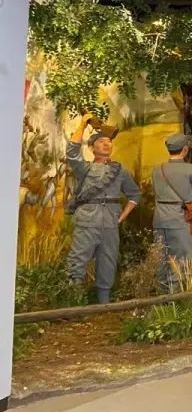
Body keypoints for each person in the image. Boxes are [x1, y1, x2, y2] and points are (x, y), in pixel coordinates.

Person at [64, 114, 140, 304]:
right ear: (92, 147)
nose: (106, 144)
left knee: (108, 261)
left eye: (109, 141)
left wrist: (121, 217)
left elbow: (134, 195)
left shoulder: (120, 171)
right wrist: (83, 123)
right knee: (77, 261)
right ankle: (73, 301)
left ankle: (103, 304)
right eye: (101, 142)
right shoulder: (84, 168)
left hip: (110, 224)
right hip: (87, 222)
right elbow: (72, 151)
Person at [153, 133, 192, 291]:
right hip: (180, 218)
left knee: (161, 256)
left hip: (159, 218)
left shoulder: (157, 169)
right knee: (181, 257)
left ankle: (161, 293)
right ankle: (176, 296)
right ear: (185, 149)